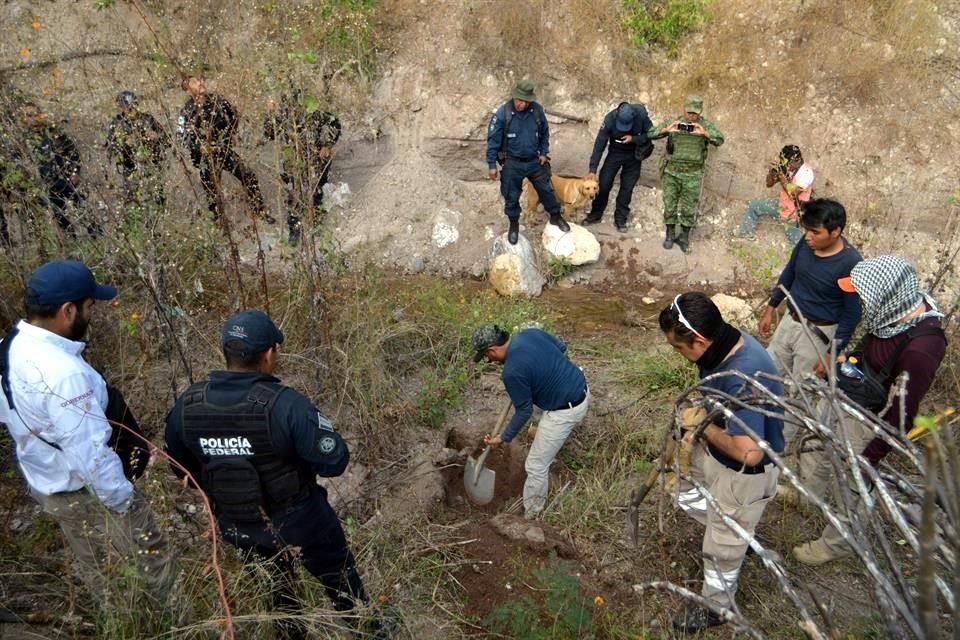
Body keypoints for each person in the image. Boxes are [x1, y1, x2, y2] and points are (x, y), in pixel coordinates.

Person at [164, 310, 371, 639]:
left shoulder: (186, 407)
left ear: (225, 352)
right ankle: (366, 627)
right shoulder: (286, 405)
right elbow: (334, 461)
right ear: (269, 354)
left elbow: (180, 469)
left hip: (238, 523)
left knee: (277, 594)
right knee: (339, 579)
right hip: (300, 520)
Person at [0, 260, 176, 609]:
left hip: (48, 481)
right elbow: (90, 455)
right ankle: (175, 621)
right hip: (86, 489)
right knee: (152, 559)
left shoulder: (8, 346)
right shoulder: (64, 374)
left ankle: (120, 619)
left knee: (97, 566)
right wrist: (125, 502)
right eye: (89, 307)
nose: (91, 315)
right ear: (68, 311)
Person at [793, 255, 947, 566]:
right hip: (847, 394)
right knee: (818, 448)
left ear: (885, 295)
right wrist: (848, 358)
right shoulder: (894, 312)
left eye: (863, 296)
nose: (860, 302)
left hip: (867, 421)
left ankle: (838, 543)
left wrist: (871, 456)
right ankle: (808, 495)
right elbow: (874, 342)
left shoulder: (921, 349)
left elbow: (902, 413)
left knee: (852, 484)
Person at [658, 292, 784, 633]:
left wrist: (702, 424)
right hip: (719, 452)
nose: (678, 353)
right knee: (679, 485)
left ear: (699, 340)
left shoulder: (744, 373)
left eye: (679, 347)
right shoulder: (722, 343)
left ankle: (717, 607)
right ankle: (736, 533)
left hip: (745, 470)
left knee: (721, 551)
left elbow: (749, 452)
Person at [759, 199, 862, 429]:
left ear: (835, 232)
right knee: (766, 373)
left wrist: (831, 353)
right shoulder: (806, 245)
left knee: (801, 394)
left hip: (817, 336)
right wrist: (771, 307)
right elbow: (789, 273)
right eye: (807, 230)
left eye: (815, 232)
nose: (808, 237)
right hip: (789, 322)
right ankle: (759, 424)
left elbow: (852, 313)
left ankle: (786, 441)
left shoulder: (850, 264)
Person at [471, 324, 589, 519]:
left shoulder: (512, 371)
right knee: (532, 406)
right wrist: (539, 370)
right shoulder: (530, 333)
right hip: (579, 385)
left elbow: (523, 411)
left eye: (487, 356)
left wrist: (503, 437)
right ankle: (545, 441)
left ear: (493, 350)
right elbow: (561, 348)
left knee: (535, 466)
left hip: (567, 411)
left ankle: (532, 514)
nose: (490, 360)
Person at [176, 76, 274, 224]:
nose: (200, 83)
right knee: (212, 193)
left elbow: (234, 117)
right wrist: (200, 147)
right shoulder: (186, 112)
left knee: (248, 176)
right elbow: (181, 137)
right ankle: (219, 223)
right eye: (194, 83)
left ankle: (259, 211)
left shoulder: (218, 101)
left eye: (199, 80)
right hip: (205, 158)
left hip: (224, 151)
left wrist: (228, 137)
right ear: (188, 91)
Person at [485, 80, 569, 245]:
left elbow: (544, 132)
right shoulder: (503, 114)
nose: (522, 104)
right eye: (519, 100)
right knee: (511, 196)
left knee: (546, 190)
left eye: (526, 101)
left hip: (534, 161)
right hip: (512, 163)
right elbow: (493, 141)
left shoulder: (536, 111)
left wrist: (543, 152)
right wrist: (492, 165)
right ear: (514, 97)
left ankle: (555, 216)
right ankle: (514, 224)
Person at [648, 95, 724, 253]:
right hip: (672, 173)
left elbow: (720, 140)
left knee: (689, 208)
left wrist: (705, 134)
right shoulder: (674, 122)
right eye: (689, 112)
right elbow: (650, 134)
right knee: (670, 205)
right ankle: (670, 234)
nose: (691, 116)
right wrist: (666, 130)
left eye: (695, 113)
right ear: (684, 110)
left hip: (693, 175)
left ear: (700, 112)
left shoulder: (704, 125)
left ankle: (684, 237)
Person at [263, 93, 342, 245]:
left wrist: (327, 145)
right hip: (294, 163)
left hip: (316, 161)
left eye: (297, 106)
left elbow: (335, 123)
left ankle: (317, 224)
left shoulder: (315, 113)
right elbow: (269, 134)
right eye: (290, 107)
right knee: (294, 196)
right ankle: (294, 231)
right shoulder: (283, 118)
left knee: (316, 192)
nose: (294, 110)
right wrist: (270, 114)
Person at [21, 103, 95, 237]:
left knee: (81, 208)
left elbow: (73, 152)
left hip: (64, 179)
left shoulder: (54, 132)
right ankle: (71, 240)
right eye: (29, 116)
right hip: (44, 185)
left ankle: (96, 234)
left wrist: (75, 173)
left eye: (35, 114)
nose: (33, 119)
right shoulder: (23, 140)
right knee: (60, 217)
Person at [582, 101, 654, 233]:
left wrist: (634, 139)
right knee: (604, 183)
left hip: (634, 155)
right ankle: (596, 213)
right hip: (615, 153)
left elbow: (651, 134)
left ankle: (621, 218)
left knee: (627, 188)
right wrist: (592, 169)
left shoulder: (641, 115)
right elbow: (600, 144)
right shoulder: (610, 119)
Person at [105, 90, 169, 219]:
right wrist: (125, 144)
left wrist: (156, 137)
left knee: (158, 198)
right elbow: (111, 148)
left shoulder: (147, 119)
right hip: (131, 169)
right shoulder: (117, 123)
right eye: (127, 107)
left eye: (132, 106)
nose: (131, 110)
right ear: (120, 108)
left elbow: (166, 140)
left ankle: (160, 220)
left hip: (152, 166)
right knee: (133, 202)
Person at [735, 144, 814, 243]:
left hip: (794, 213)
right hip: (782, 206)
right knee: (755, 205)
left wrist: (781, 175)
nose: (786, 166)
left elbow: (793, 194)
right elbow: (769, 184)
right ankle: (745, 233)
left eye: (787, 163)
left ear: (796, 161)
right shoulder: (789, 168)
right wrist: (772, 172)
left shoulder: (806, 173)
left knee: (796, 241)